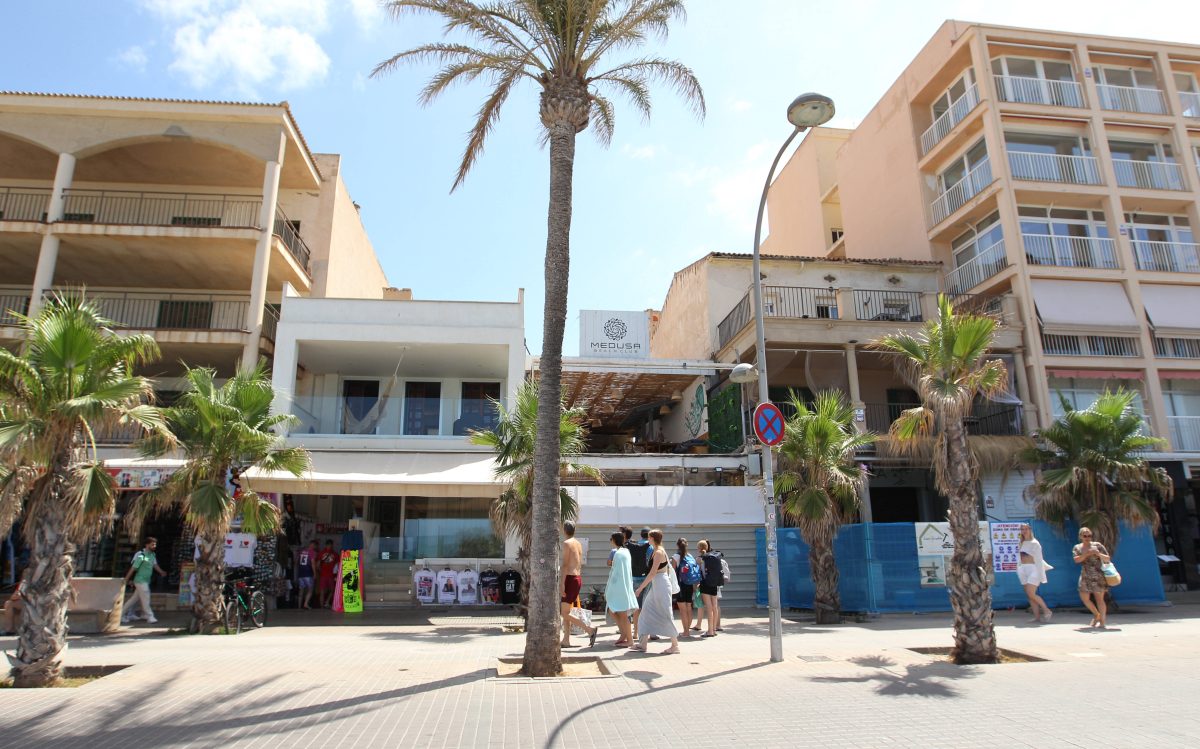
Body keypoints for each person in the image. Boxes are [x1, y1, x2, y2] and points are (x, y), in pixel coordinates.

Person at [632, 529, 679, 654]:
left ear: (653, 538)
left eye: (649, 537)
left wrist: (640, 588)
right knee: (645, 612)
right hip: (656, 584)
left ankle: (675, 646)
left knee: (666, 613)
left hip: (661, 584)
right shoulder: (655, 551)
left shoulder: (658, 552)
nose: (648, 539)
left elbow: (653, 573)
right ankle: (642, 644)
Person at [561, 521, 598, 647]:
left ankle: (590, 630)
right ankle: (566, 640)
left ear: (564, 530)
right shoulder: (578, 544)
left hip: (570, 579)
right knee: (567, 611)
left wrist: (562, 584)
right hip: (577, 578)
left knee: (564, 613)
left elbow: (565, 565)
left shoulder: (567, 543)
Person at [121, 537, 166, 624]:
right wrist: (127, 579)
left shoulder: (152, 555)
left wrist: (161, 572)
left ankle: (120, 614)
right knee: (146, 597)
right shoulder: (141, 555)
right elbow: (133, 567)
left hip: (146, 580)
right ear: (147, 544)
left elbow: (154, 565)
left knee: (133, 600)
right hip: (140, 580)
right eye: (152, 544)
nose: (154, 546)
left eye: (155, 544)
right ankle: (149, 616)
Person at [605, 531, 639, 647]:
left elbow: (616, 573)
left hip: (620, 588)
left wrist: (611, 588)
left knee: (623, 615)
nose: (610, 541)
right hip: (623, 587)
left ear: (614, 540)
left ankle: (630, 640)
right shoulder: (625, 552)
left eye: (611, 539)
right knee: (612, 610)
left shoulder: (619, 553)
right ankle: (624, 634)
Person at [1073, 527, 1111, 629]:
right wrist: (1087, 554)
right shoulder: (1077, 547)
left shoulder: (1097, 545)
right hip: (1085, 575)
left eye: (1089, 535)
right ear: (1081, 536)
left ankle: (1102, 622)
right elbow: (1076, 560)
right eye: (1085, 536)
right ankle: (1096, 614)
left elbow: (1107, 558)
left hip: (1098, 575)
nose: (1087, 538)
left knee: (1100, 599)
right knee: (1084, 598)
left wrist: (1097, 553)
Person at [1018, 524, 1053, 623]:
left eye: (1026, 529)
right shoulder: (1021, 542)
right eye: (1022, 529)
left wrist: (1041, 573)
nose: (1024, 531)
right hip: (1023, 569)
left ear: (1030, 530)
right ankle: (1037, 617)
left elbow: (1038, 559)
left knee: (1031, 592)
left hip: (1034, 569)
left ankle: (1047, 610)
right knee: (1029, 595)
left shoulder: (1035, 543)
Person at [625, 526, 651, 637]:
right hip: (647, 578)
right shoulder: (650, 546)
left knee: (636, 607)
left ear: (641, 535)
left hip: (634, 578)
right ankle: (650, 632)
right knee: (648, 605)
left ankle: (635, 633)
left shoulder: (632, 545)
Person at [671, 538, 697, 638]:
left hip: (680, 585)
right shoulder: (690, 556)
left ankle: (686, 632)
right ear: (687, 545)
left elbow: (673, 572)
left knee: (682, 610)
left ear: (677, 545)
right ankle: (687, 631)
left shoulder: (675, 556)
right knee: (689, 608)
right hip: (689, 584)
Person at [698, 539, 723, 638]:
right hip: (714, 583)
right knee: (714, 606)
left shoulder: (701, 559)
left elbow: (700, 572)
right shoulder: (714, 556)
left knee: (708, 607)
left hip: (705, 583)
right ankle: (714, 629)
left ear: (700, 548)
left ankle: (710, 631)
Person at [317, 540, 339, 608]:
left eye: (330, 545)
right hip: (327, 575)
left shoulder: (322, 553)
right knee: (324, 591)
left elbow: (317, 565)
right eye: (329, 545)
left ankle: (324, 604)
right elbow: (317, 564)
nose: (330, 546)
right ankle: (322, 605)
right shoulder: (333, 554)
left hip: (329, 575)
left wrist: (320, 571)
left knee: (332, 590)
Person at [297, 540, 317, 609]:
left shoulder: (301, 551)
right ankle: (305, 604)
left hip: (300, 573)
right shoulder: (312, 552)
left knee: (301, 590)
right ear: (314, 545)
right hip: (308, 573)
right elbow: (313, 563)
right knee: (310, 590)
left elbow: (296, 561)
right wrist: (315, 573)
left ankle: (299, 606)